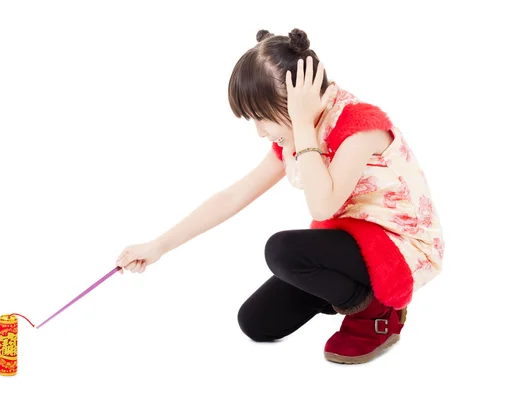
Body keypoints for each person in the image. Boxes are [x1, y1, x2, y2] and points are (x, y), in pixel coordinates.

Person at [115, 28, 444, 364]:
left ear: (298, 100)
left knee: (282, 251)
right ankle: (348, 290)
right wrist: (158, 246)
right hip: (349, 244)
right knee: (256, 322)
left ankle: (379, 312)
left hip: (399, 248)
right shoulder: (296, 134)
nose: (259, 131)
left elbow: (323, 204)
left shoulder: (359, 126)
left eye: (262, 117)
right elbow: (233, 196)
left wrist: (301, 125)